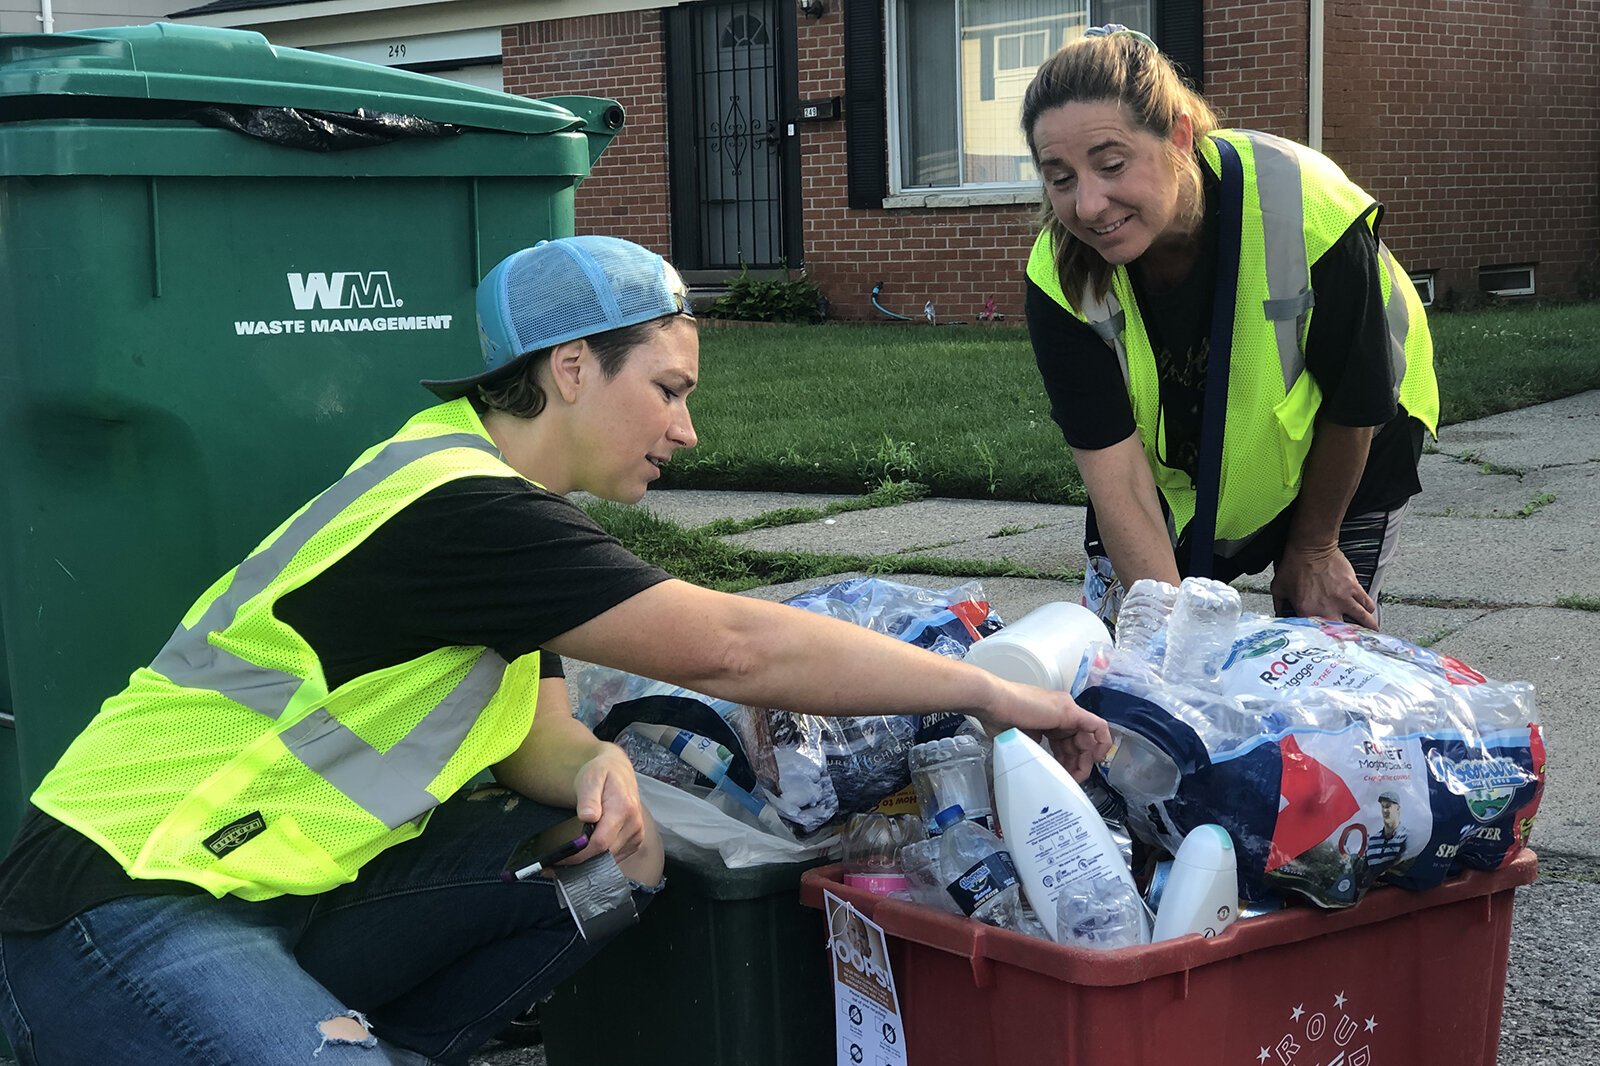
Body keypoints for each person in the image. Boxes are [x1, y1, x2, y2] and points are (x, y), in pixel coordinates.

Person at [0, 236, 1111, 1065]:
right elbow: (730, 649)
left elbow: (530, 722)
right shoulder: (468, 509)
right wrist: (989, 692)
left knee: (613, 861)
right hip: (124, 899)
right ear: (572, 367)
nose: (687, 430)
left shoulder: (479, 497)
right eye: (667, 390)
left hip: (273, 889)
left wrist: (590, 764)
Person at [1020, 26, 1440, 632]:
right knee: (1135, 656)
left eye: (1111, 164)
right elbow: (1113, 468)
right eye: (1061, 179)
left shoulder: (1308, 204)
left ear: (1179, 137)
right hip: (1183, 481)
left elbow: (1356, 401)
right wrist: (1167, 638)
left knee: (1318, 672)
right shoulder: (1057, 277)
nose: (1088, 205)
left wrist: (1314, 549)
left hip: (1350, 451)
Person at [1365, 790, 1410, 875]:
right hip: (1373, 887)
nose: (1385, 810)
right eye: (1382, 806)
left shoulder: (1407, 837)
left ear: (1398, 809)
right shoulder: (1372, 840)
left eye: (1388, 806)